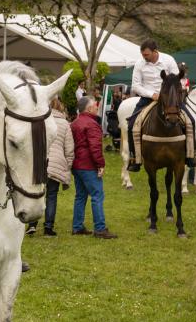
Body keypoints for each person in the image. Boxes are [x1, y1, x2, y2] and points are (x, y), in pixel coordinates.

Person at [127, 40, 179, 171]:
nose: (144, 57)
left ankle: (191, 155)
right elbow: (135, 86)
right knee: (131, 124)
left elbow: (178, 80)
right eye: (143, 54)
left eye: (146, 54)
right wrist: (152, 94)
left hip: (170, 100)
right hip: (147, 99)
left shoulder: (169, 60)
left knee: (190, 121)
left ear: (155, 51)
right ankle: (134, 158)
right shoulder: (139, 64)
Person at [71, 95, 117, 239]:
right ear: (89, 108)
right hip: (88, 165)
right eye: (95, 105)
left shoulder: (75, 123)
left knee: (80, 196)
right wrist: (100, 164)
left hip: (77, 165)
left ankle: (77, 227)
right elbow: (95, 147)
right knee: (97, 195)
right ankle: (100, 229)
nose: (97, 107)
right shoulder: (92, 124)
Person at [26, 98, 74, 237]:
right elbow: (69, 148)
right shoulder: (65, 124)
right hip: (57, 163)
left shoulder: (40, 120)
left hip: (40, 162)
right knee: (51, 196)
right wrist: (67, 165)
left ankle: (32, 224)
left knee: (37, 193)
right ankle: (48, 227)